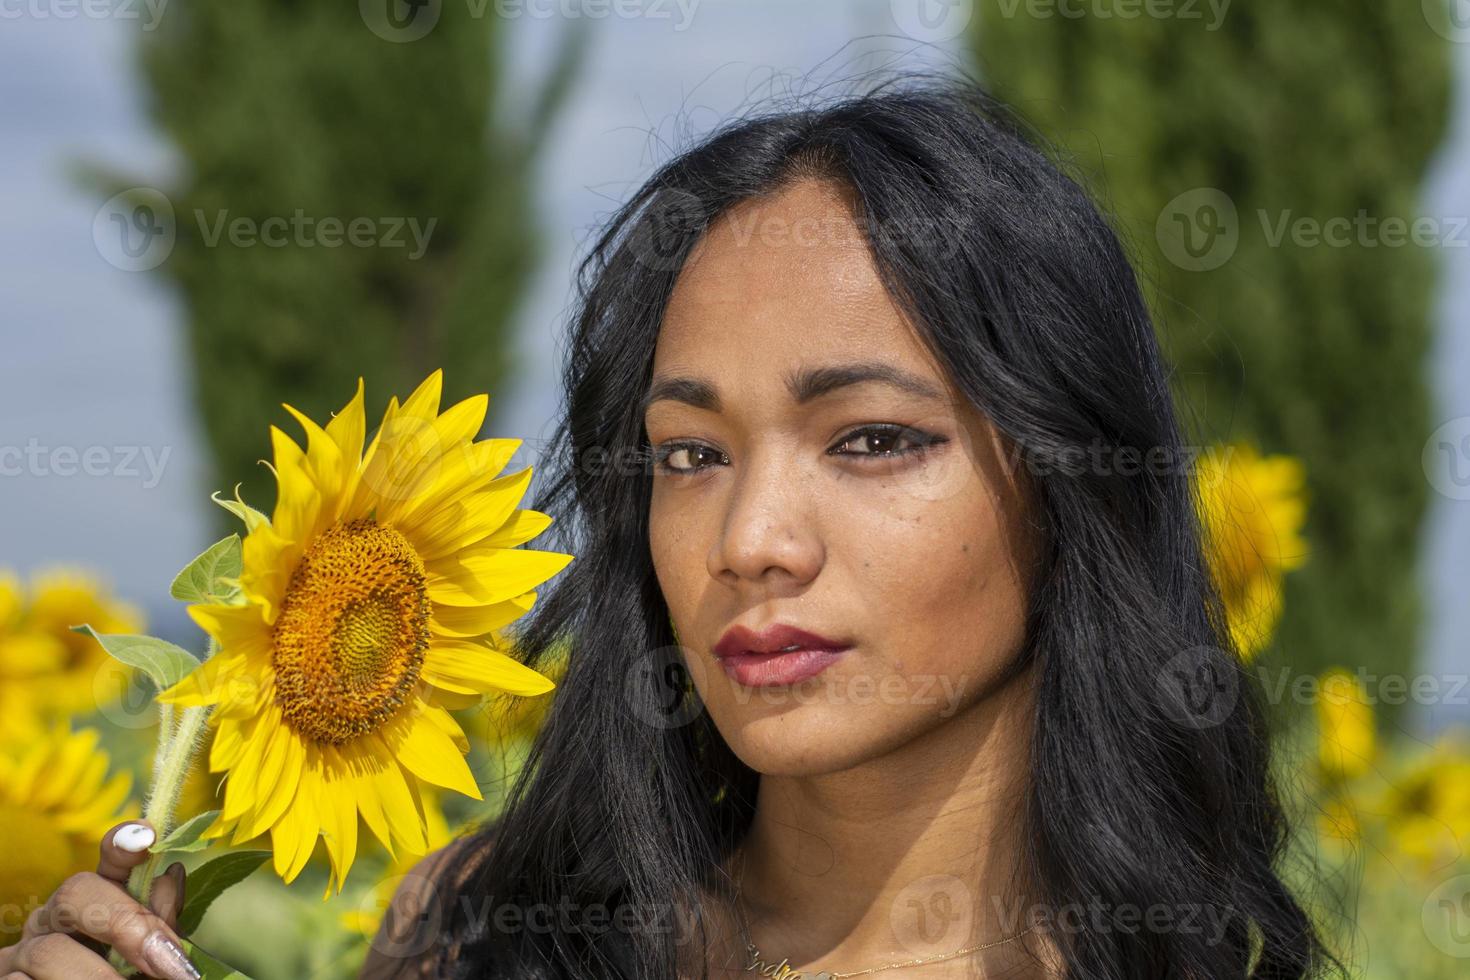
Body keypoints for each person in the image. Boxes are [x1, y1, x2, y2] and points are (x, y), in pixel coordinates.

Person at [6, 75, 1345, 980]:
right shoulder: (479, 937)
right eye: (687, 454)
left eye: (871, 439)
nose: (750, 539)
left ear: (1067, 474)